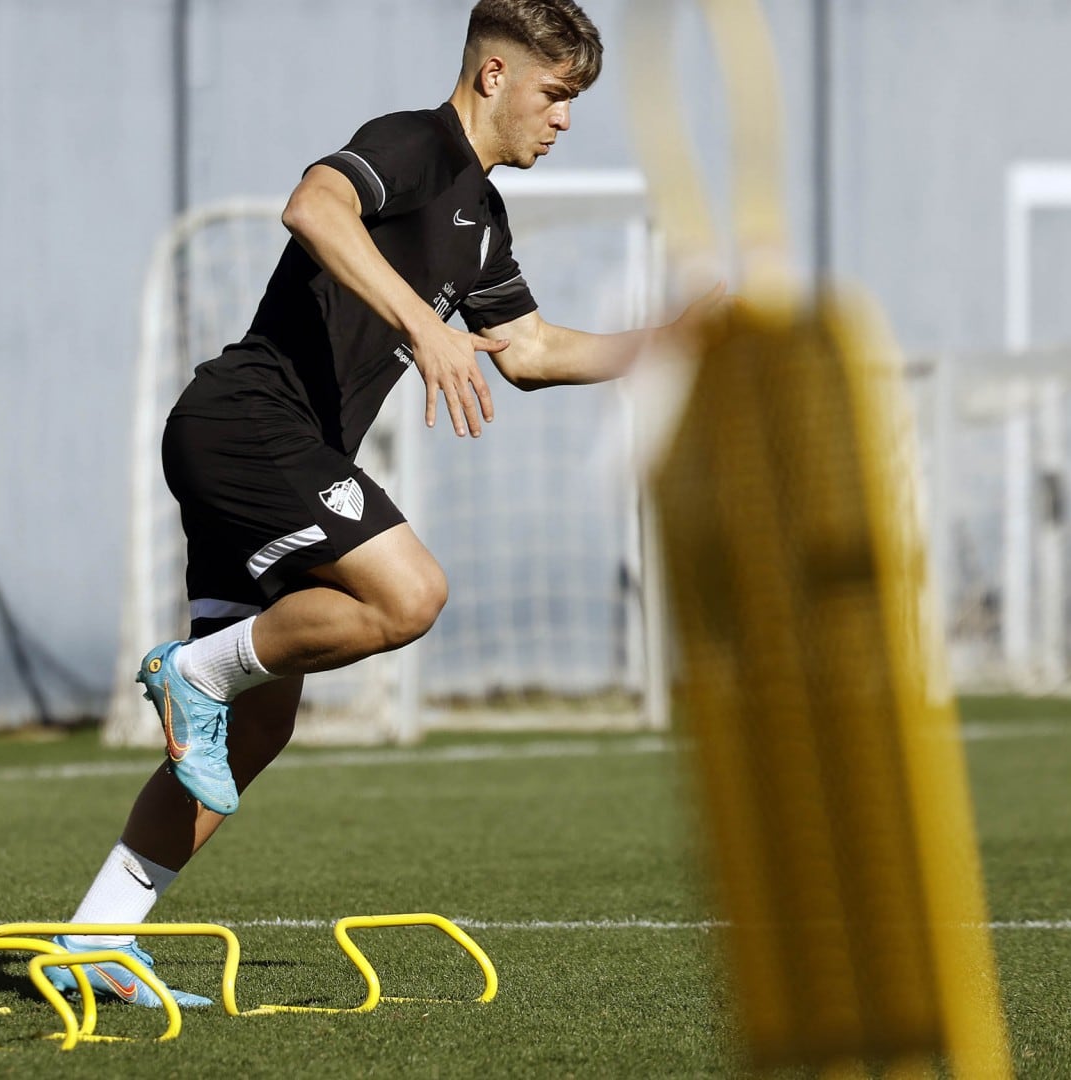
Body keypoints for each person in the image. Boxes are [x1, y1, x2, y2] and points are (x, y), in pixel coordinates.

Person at [46, 0, 723, 1008]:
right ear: (495, 75)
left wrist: (664, 341)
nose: (566, 120)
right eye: (556, 94)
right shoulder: (413, 143)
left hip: (277, 448)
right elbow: (313, 207)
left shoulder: (482, 221)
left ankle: (96, 939)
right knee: (410, 595)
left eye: (576, 101)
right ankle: (187, 671)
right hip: (247, 422)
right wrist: (423, 323)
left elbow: (529, 351)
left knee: (252, 731)